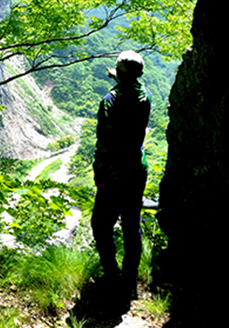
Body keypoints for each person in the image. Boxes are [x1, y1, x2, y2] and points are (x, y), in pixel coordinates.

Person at [91, 50, 151, 297]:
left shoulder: (109, 101)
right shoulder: (145, 95)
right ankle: (129, 281)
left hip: (114, 172)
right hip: (137, 168)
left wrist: (99, 172)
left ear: (118, 73)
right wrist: (118, 76)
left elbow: (104, 141)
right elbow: (131, 85)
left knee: (100, 224)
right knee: (131, 224)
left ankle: (111, 275)